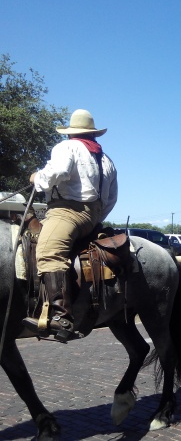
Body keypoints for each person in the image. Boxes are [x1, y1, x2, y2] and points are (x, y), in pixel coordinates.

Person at [23, 109, 118, 341]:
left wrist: (37, 178)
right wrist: (94, 217)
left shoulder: (67, 147)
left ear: (70, 132)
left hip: (67, 212)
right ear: (93, 133)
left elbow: (57, 172)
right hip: (93, 216)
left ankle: (61, 316)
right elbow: (112, 198)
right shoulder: (106, 159)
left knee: (48, 251)